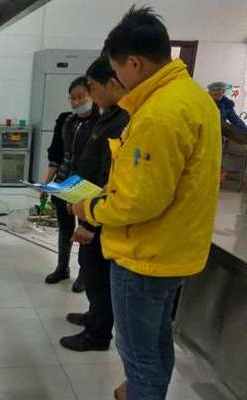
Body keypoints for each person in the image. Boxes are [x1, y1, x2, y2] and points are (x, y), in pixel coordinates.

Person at [72, 6, 221, 400]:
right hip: (174, 250)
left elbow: (140, 202)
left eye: (116, 69)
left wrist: (89, 210)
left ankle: (144, 392)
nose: (116, 79)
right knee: (155, 342)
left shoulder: (158, 114)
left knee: (138, 355)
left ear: (134, 63)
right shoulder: (194, 96)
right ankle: (146, 390)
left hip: (145, 256)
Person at [59, 56, 129, 352]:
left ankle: (98, 335)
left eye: (92, 89)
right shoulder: (107, 115)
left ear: (112, 84)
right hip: (87, 203)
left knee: (99, 273)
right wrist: (73, 195)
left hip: (100, 212)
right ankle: (93, 316)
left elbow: (107, 173)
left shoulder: (123, 120)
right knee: (90, 266)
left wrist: (89, 222)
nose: (91, 96)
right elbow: (88, 162)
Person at [43, 76, 100, 293]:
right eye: (72, 98)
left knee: (84, 230)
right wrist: (45, 184)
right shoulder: (65, 121)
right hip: (63, 183)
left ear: (92, 96)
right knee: (64, 229)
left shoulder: (101, 124)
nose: (76, 102)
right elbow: (55, 155)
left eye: (81, 97)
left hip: (87, 187)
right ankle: (62, 268)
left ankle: (84, 274)